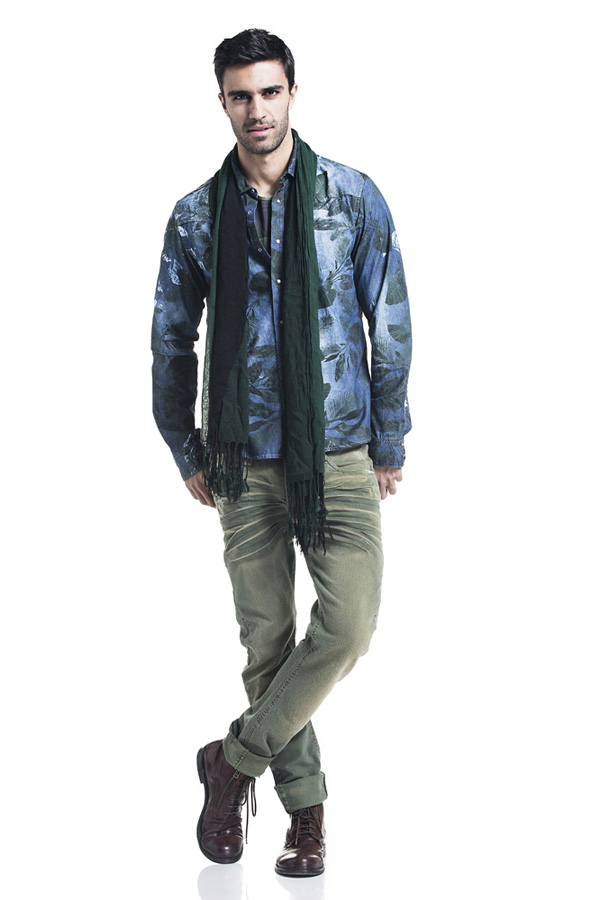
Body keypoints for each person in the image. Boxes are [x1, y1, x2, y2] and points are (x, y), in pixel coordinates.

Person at [151, 28, 412, 878]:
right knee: (267, 642)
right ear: (222, 103)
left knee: (350, 626)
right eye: (241, 95)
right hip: (240, 457)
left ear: (293, 92)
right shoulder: (196, 216)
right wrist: (185, 446)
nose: (256, 109)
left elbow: (390, 319)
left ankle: (232, 759)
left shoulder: (351, 196)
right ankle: (307, 820)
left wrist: (389, 435)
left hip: (338, 450)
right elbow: (171, 340)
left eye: (269, 91)